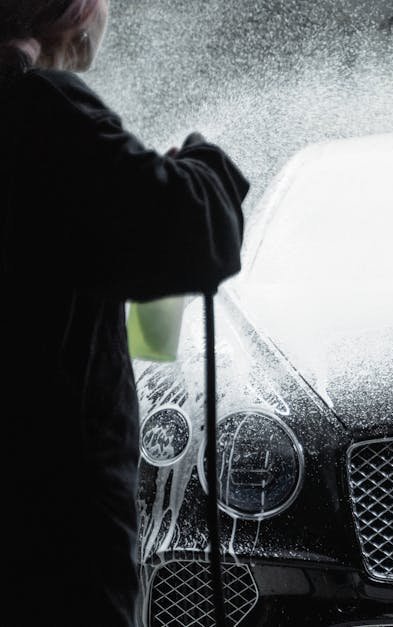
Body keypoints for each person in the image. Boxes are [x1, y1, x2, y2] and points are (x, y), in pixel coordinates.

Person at [0, 1, 249, 624]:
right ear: (74, 10)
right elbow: (192, 236)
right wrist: (203, 165)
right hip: (50, 533)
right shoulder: (41, 109)